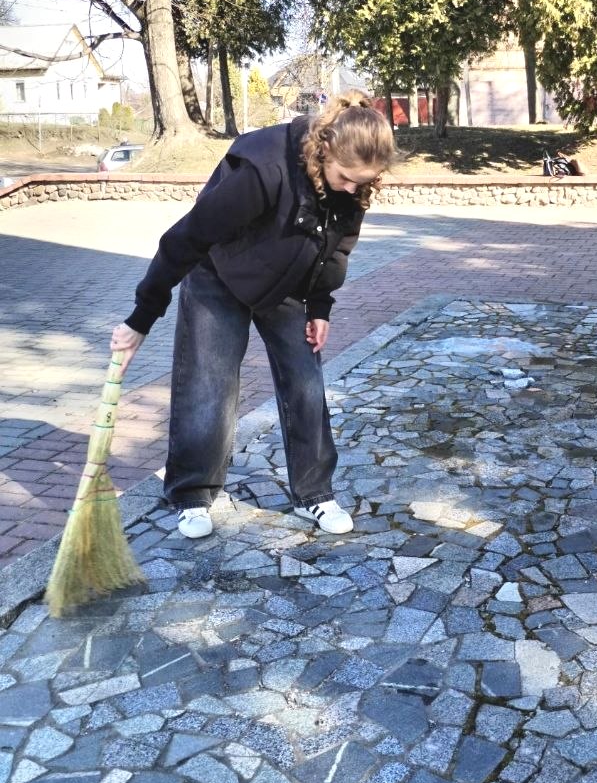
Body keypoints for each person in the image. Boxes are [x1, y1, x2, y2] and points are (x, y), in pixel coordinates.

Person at [110, 91, 398, 540]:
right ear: (324, 149)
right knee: (208, 383)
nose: (351, 188)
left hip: (285, 285)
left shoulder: (354, 186)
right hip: (217, 276)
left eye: (362, 182)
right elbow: (186, 238)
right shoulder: (263, 168)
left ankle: (314, 492)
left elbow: (336, 246)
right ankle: (192, 495)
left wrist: (320, 307)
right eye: (345, 177)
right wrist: (141, 318)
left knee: (305, 382)